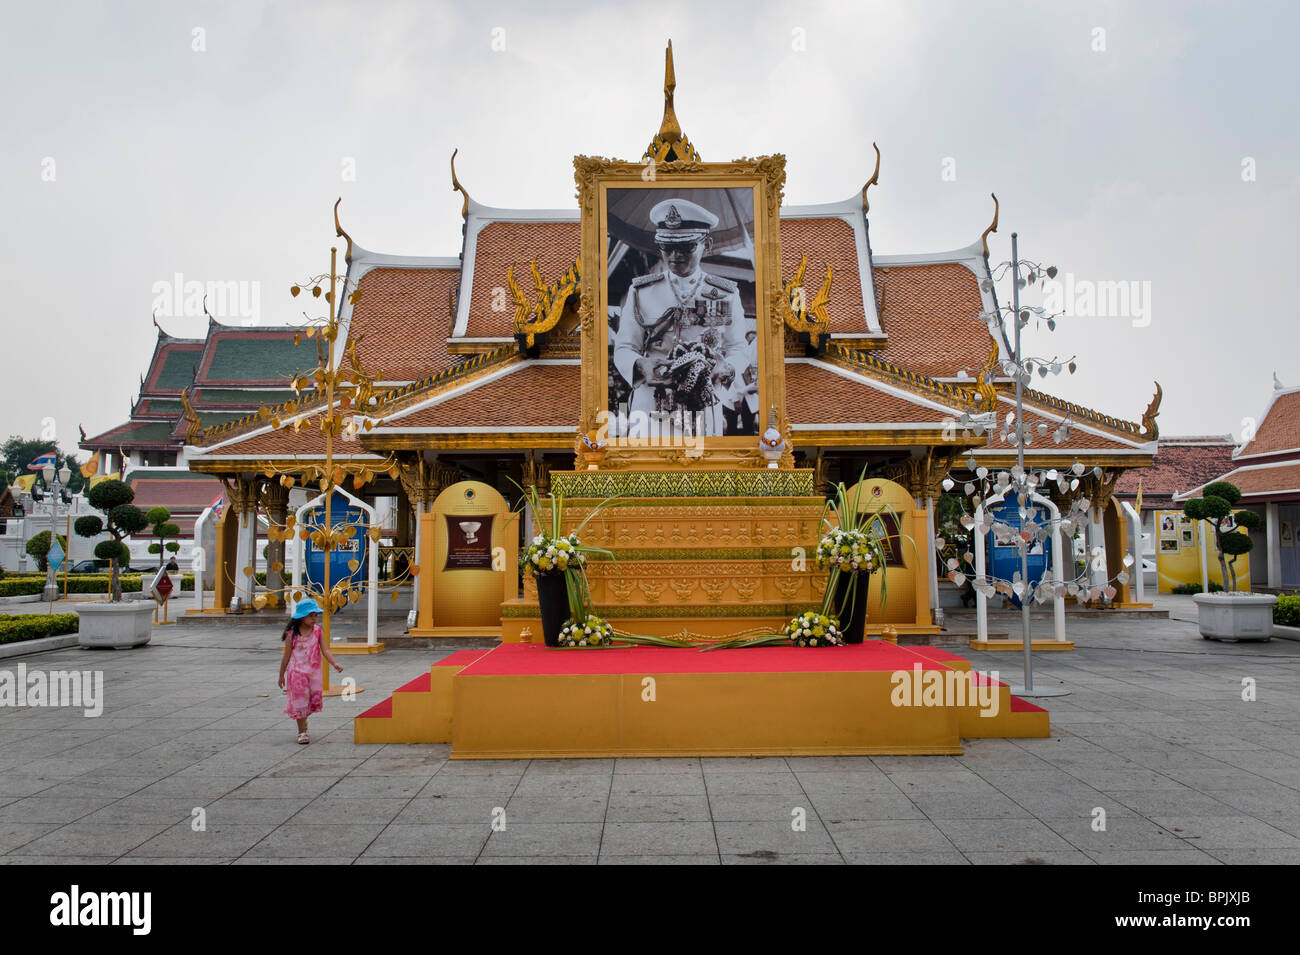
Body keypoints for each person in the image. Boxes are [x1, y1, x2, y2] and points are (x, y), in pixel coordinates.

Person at [611, 198, 751, 437]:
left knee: (703, 471)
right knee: (649, 471)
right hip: (651, 402)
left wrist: (725, 369)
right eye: (667, 247)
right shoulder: (641, 292)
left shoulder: (726, 293)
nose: (675, 255)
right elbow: (624, 347)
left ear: (706, 244)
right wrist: (641, 365)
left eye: (686, 247)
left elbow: (738, 347)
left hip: (704, 403)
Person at [277, 598, 342, 744]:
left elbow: (325, 649)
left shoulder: (318, 631)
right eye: (311, 616)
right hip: (297, 674)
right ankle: (302, 732)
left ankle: (303, 720)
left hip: (313, 674)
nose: (314, 618)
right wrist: (281, 675)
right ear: (301, 617)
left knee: (313, 702)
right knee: (300, 703)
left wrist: (334, 663)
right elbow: (286, 656)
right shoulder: (292, 634)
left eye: (315, 615)